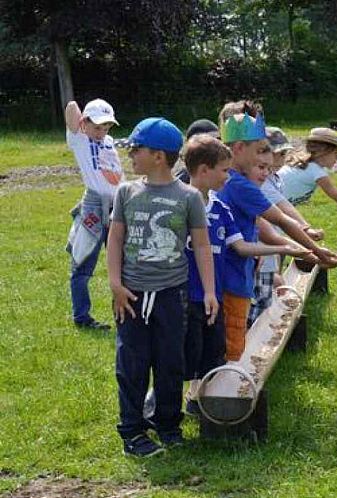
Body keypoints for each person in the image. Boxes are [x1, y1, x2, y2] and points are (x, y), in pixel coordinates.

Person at [107, 117, 218, 457]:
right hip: (131, 296)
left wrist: (210, 291)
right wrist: (115, 284)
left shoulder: (188, 197)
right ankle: (133, 432)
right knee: (132, 364)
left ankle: (167, 425)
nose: (130, 156)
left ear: (158, 156)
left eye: (136, 150)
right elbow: (115, 239)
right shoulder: (126, 192)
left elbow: (201, 246)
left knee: (171, 362)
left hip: (173, 294)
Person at [182, 134, 311, 414]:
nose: (228, 178)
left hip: (214, 293)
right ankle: (183, 398)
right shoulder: (180, 205)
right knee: (187, 350)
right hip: (186, 294)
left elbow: (240, 246)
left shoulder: (221, 208)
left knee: (216, 348)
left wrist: (286, 246)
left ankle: (203, 397)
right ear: (204, 170)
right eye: (224, 171)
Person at [215, 102, 337, 362]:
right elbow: (281, 220)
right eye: (258, 150)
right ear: (239, 149)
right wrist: (315, 251)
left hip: (236, 272)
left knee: (223, 340)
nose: (263, 157)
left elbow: (265, 229)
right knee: (229, 344)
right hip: (231, 276)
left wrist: (306, 251)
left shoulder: (228, 180)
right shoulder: (240, 185)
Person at [250, 126, 325, 322]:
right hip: (261, 246)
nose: (283, 158)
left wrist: (304, 230)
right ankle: (256, 332)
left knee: (272, 275)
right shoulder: (263, 182)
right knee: (261, 297)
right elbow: (283, 210)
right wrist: (305, 229)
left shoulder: (275, 178)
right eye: (279, 154)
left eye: (284, 153)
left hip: (272, 243)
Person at [64, 98, 123, 330]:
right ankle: (82, 317)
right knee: (83, 262)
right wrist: (80, 123)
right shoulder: (79, 139)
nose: (102, 132)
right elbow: (70, 107)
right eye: (97, 126)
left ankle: (123, 311)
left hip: (116, 203)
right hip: (94, 205)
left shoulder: (109, 141)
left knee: (121, 262)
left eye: (106, 126)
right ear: (84, 123)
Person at [173, 119, 221, 183]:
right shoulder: (181, 183)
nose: (217, 149)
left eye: (219, 141)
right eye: (209, 145)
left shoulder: (223, 174)